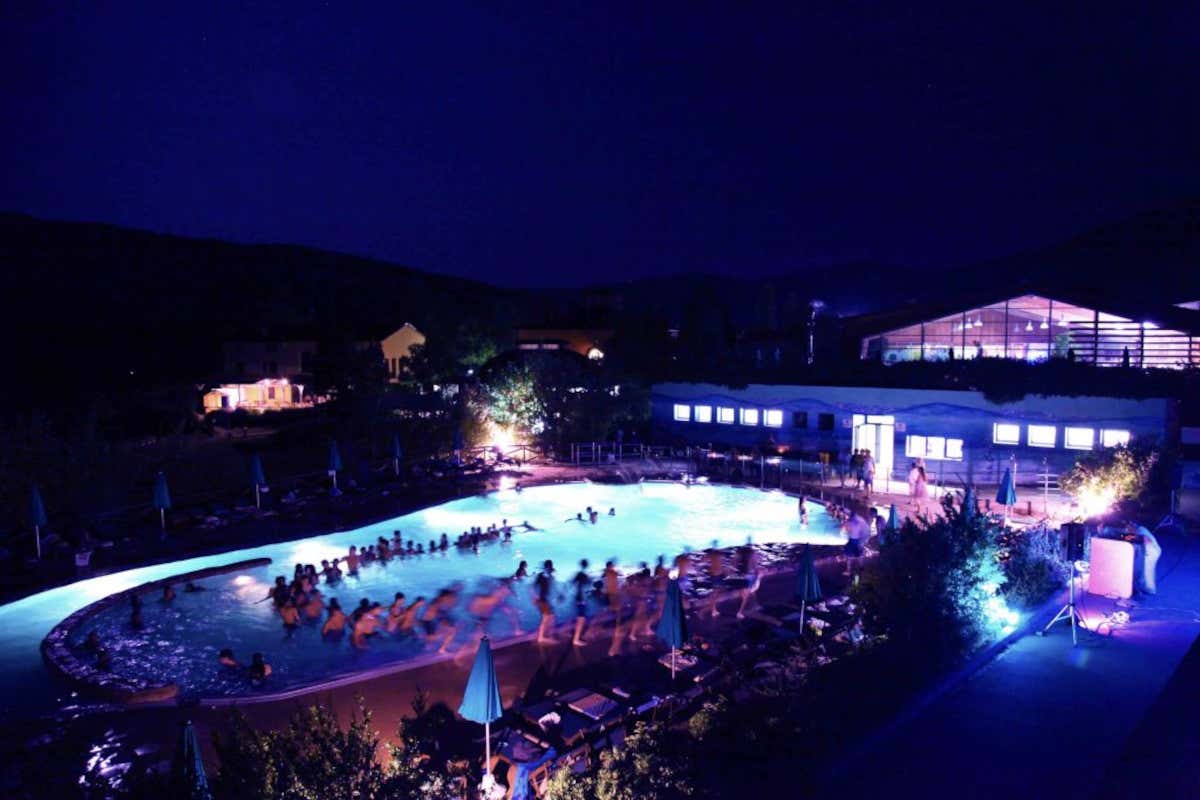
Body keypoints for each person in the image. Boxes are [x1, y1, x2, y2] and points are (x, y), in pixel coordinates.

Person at [735, 544, 761, 619]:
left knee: (750, 592)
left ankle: (755, 605)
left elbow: (736, 564)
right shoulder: (752, 554)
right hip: (750, 576)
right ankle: (739, 612)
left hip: (742, 575)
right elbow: (755, 565)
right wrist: (757, 575)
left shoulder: (741, 554)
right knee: (746, 595)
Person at [534, 560, 556, 644]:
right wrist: (535, 597)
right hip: (542, 600)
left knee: (551, 617)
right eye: (549, 567)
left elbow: (550, 586)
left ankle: (545, 635)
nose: (550, 569)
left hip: (546, 599)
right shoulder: (541, 575)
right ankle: (541, 637)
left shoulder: (548, 575)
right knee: (546, 618)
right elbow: (533, 587)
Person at [571, 559, 591, 646]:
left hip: (578, 597)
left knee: (581, 618)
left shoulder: (579, 574)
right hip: (581, 598)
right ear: (586, 565)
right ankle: (576, 639)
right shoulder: (583, 575)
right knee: (581, 619)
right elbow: (587, 586)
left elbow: (572, 583)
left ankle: (576, 638)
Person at [706, 544, 725, 618]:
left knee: (718, 592)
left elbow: (704, 560)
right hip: (716, 576)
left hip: (718, 575)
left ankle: (712, 608)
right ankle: (713, 610)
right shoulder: (716, 554)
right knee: (715, 593)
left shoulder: (714, 554)